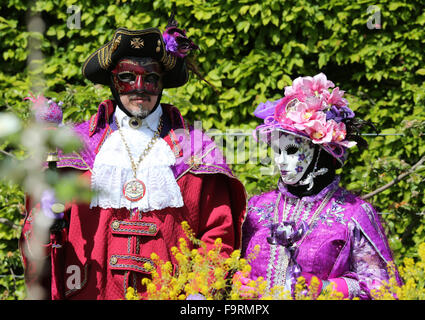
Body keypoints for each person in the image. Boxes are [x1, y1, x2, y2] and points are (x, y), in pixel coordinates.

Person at [20, 16, 246, 300]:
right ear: (113, 81)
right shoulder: (74, 148)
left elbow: (217, 234)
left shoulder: (196, 153)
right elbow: (41, 243)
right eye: (128, 78)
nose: (140, 88)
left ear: (162, 83)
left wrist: (199, 291)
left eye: (151, 78)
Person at [241, 73, 401, 299]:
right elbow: (223, 266)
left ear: (321, 152)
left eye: (292, 151)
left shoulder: (353, 213)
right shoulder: (256, 208)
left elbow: (384, 290)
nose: (281, 161)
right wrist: (235, 279)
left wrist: (327, 288)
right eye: (277, 150)